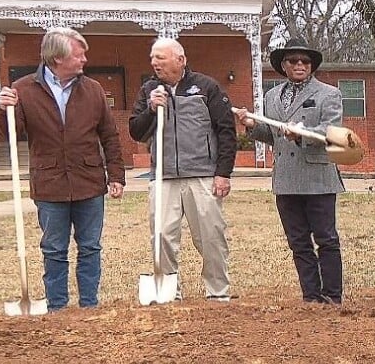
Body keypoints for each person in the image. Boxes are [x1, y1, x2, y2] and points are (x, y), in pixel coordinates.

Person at [0, 27, 125, 311]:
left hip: (89, 182)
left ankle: (89, 305)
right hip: (49, 183)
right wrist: (5, 110)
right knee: (54, 249)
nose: (84, 60)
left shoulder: (93, 90)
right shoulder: (22, 90)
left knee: (90, 247)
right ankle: (57, 308)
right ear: (58, 58)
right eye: (79, 55)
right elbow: (11, 133)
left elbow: (110, 136)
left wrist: (116, 175)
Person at [233, 39, 345, 305]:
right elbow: (272, 135)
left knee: (326, 239)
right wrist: (251, 125)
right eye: (293, 60)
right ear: (283, 65)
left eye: (305, 61)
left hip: (318, 178)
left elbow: (331, 132)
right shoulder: (272, 96)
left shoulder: (329, 94)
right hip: (285, 180)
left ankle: (332, 296)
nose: (300, 65)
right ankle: (311, 296)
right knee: (298, 242)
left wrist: (301, 134)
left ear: (312, 65)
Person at [129, 38, 236, 301]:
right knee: (162, 236)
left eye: (160, 58)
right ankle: (168, 293)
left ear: (180, 60)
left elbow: (226, 131)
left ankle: (218, 292)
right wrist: (151, 110)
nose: (154, 63)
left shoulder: (207, 87)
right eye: (152, 58)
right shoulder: (149, 90)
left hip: (202, 175)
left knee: (210, 237)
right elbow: (136, 132)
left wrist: (223, 173)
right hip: (163, 176)